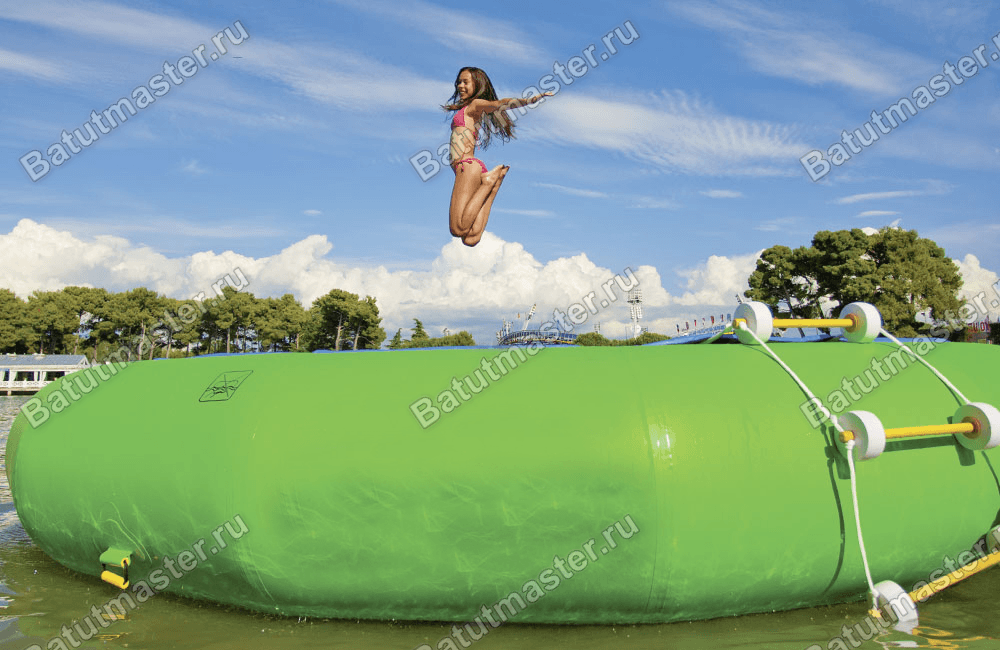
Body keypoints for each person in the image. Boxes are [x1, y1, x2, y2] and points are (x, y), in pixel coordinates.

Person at [442, 67, 552, 246]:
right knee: (471, 238)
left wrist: (529, 100)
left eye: (465, 82)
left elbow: (500, 104)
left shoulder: (474, 105)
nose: (460, 86)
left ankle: (487, 183)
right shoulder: (468, 108)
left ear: (477, 85)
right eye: (458, 82)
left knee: (457, 229)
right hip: (469, 168)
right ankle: (493, 184)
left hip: (466, 166)